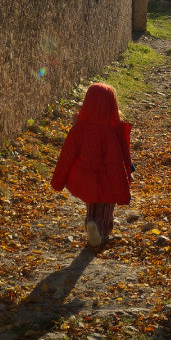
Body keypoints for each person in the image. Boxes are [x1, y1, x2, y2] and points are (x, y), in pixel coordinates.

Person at [51, 82, 132, 247]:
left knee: (92, 204)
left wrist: (58, 181)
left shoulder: (79, 128)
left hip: (85, 178)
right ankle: (102, 232)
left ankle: (91, 223)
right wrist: (124, 184)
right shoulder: (111, 131)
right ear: (112, 104)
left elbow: (67, 154)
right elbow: (116, 162)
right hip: (107, 179)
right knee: (106, 207)